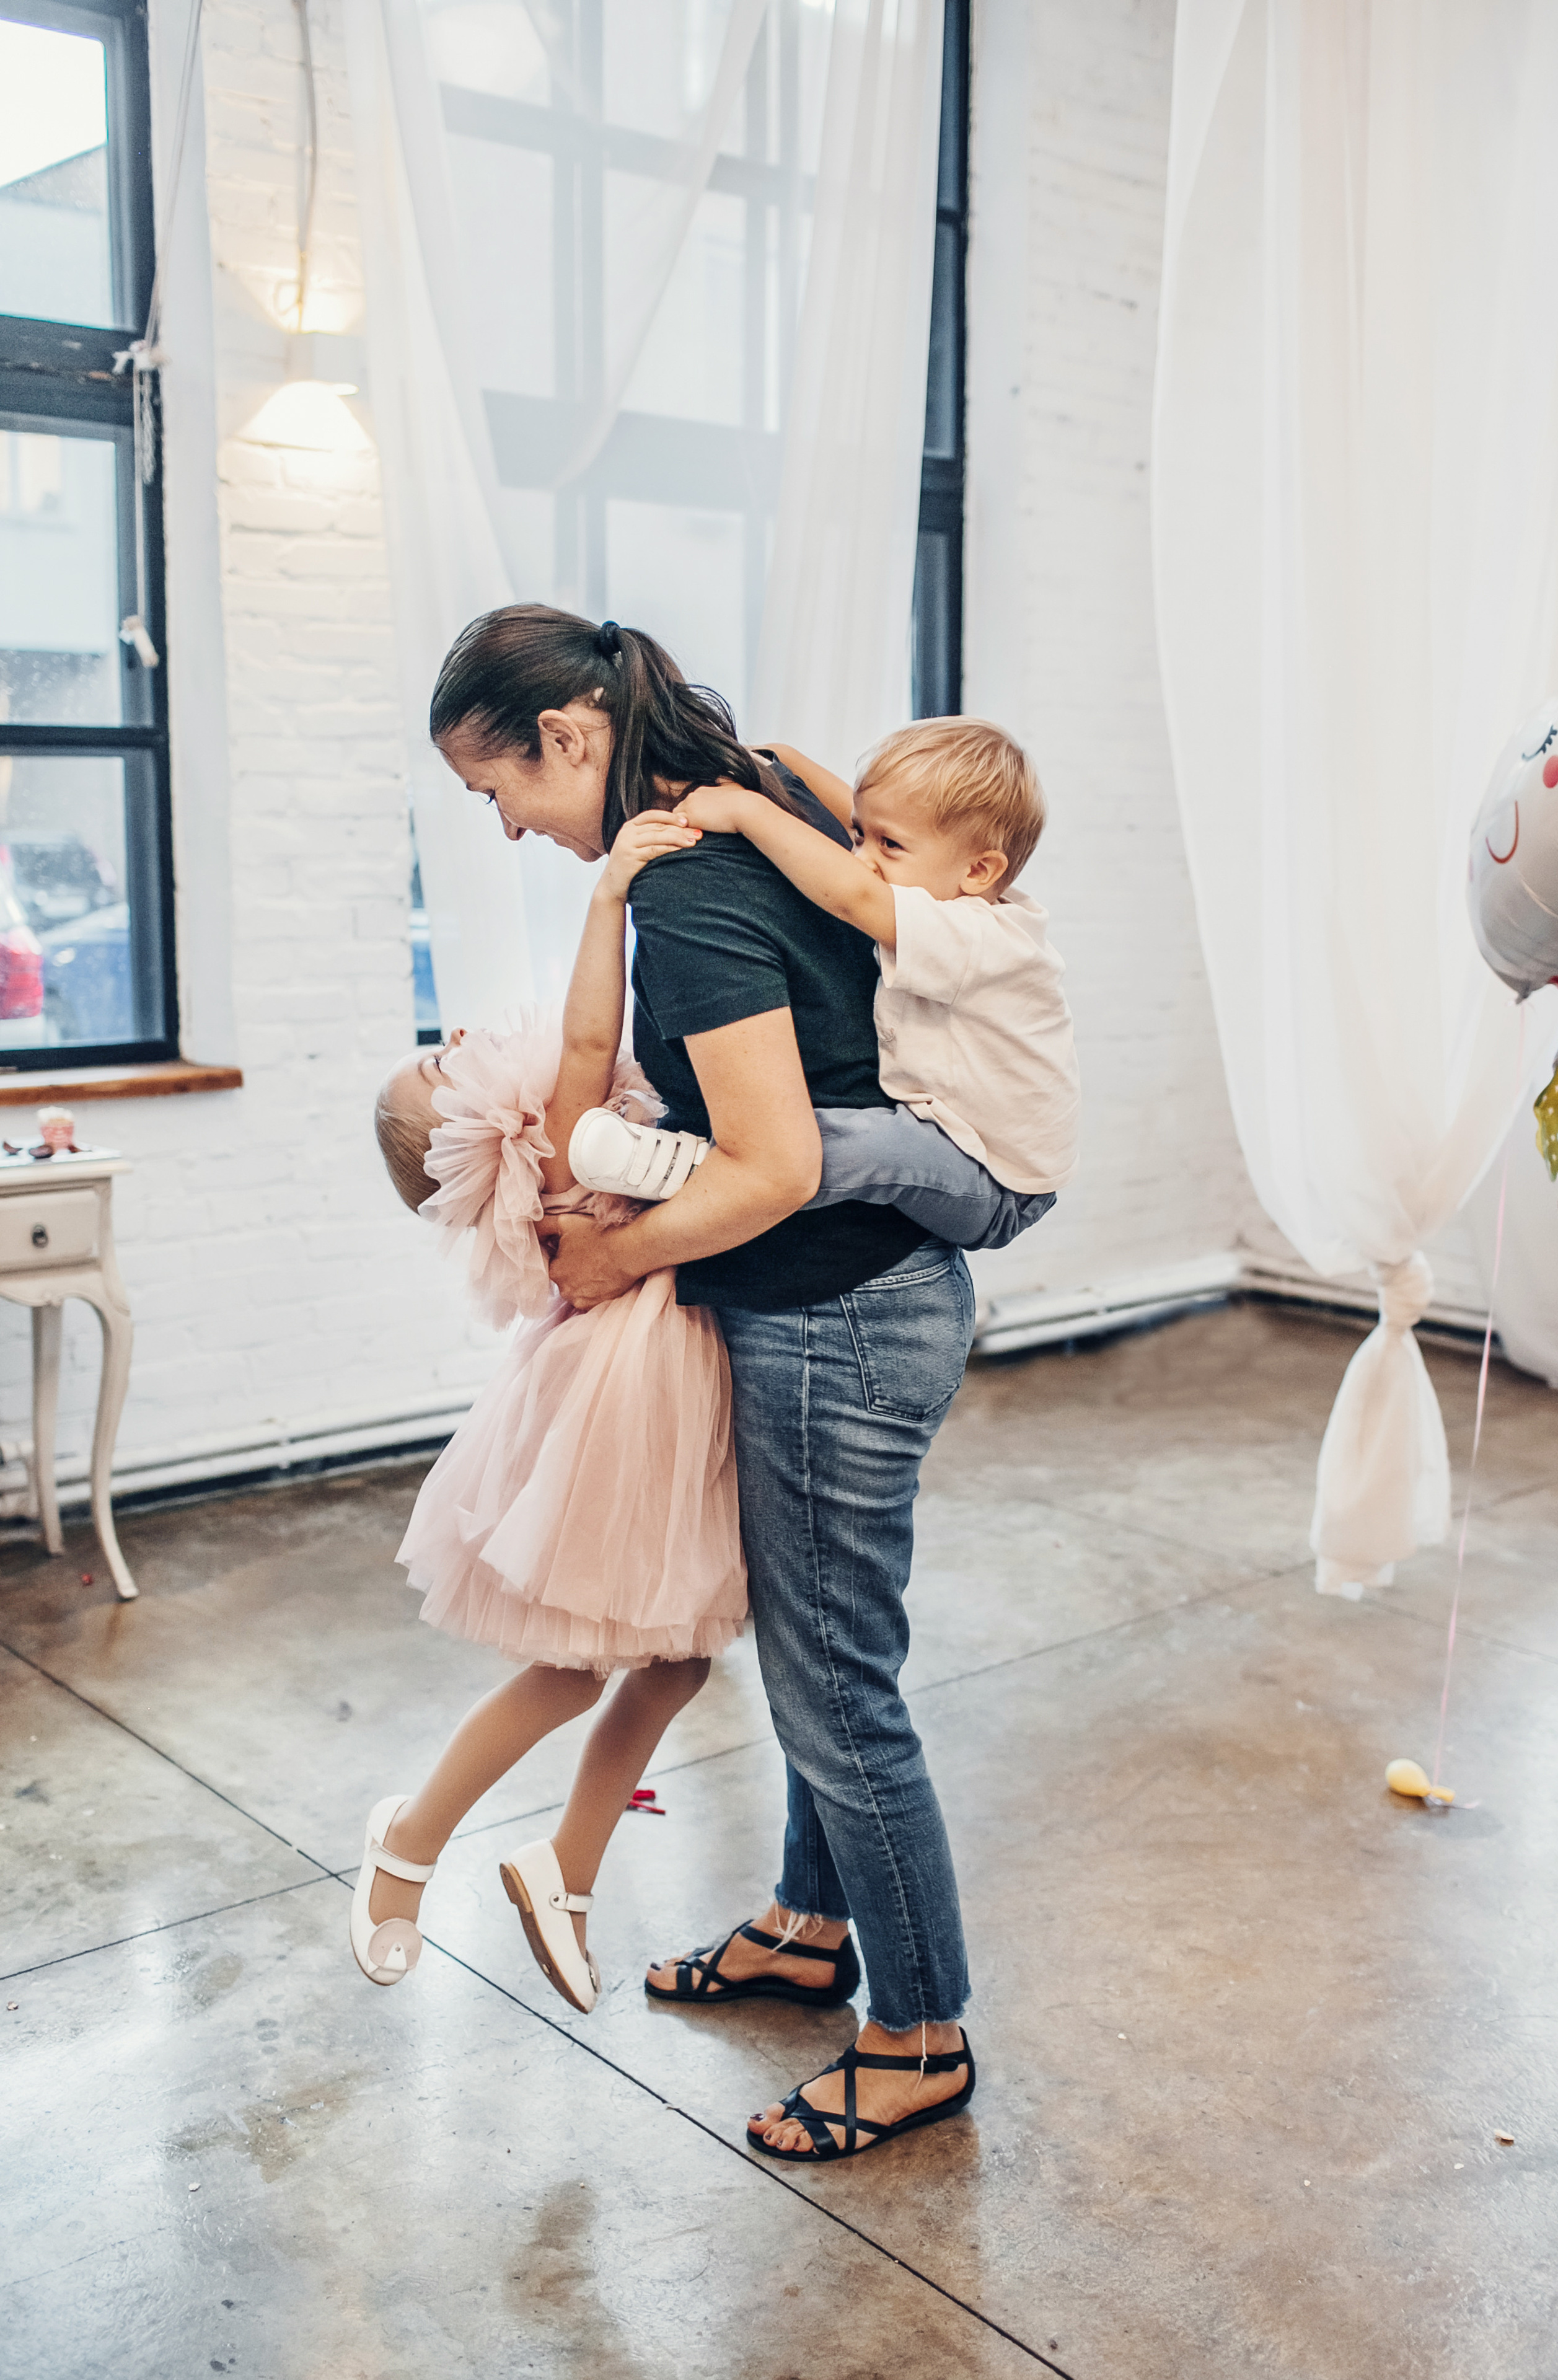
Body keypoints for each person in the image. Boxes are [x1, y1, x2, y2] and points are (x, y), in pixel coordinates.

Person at [428, 603, 1066, 2164]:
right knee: (814, 1650)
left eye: (495, 785)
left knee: (836, 1683)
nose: (503, 819)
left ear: (568, 736)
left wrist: (617, 1258)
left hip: (836, 1314)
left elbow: (776, 1163)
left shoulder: (699, 887)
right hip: (850, 1301)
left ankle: (917, 2031)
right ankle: (802, 1922)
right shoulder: (757, 802)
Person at [350, 806, 741, 2016]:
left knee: (676, 1664)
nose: (460, 1038)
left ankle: (564, 1868)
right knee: (577, 1665)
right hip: (628, 1395)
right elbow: (582, 1037)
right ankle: (405, 1851)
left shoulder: (593, 1131)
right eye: (441, 1064)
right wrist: (609, 898)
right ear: (480, 1136)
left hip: (675, 1369)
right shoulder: (568, 1157)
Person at [579, 716, 1080, 1231]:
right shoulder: (947, 881)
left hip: (998, 1182)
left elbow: (852, 896)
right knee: (858, 1135)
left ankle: (693, 1173)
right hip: (952, 1139)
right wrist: (777, 759)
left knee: (849, 1146)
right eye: (860, 836)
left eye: (888, 846)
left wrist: (747, 810)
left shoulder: (978, 937)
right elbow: (865, 813)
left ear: (979, 872)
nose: (862, 858)